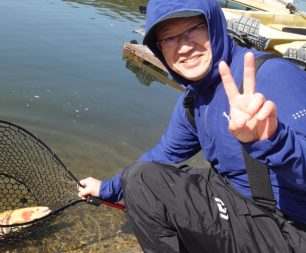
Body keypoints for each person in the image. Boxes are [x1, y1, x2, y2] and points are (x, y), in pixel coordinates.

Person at [77, 0, 306, 252]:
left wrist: (274, 142)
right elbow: (161, 156)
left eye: (192, 30)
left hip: (290, 228)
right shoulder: (194, 98)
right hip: (239, 201)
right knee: (156, 177)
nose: (184, 47)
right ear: (159, 49)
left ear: (214, 25)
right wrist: (107, 187)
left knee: (143, 183)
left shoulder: (272, 75)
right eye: (169, 39)